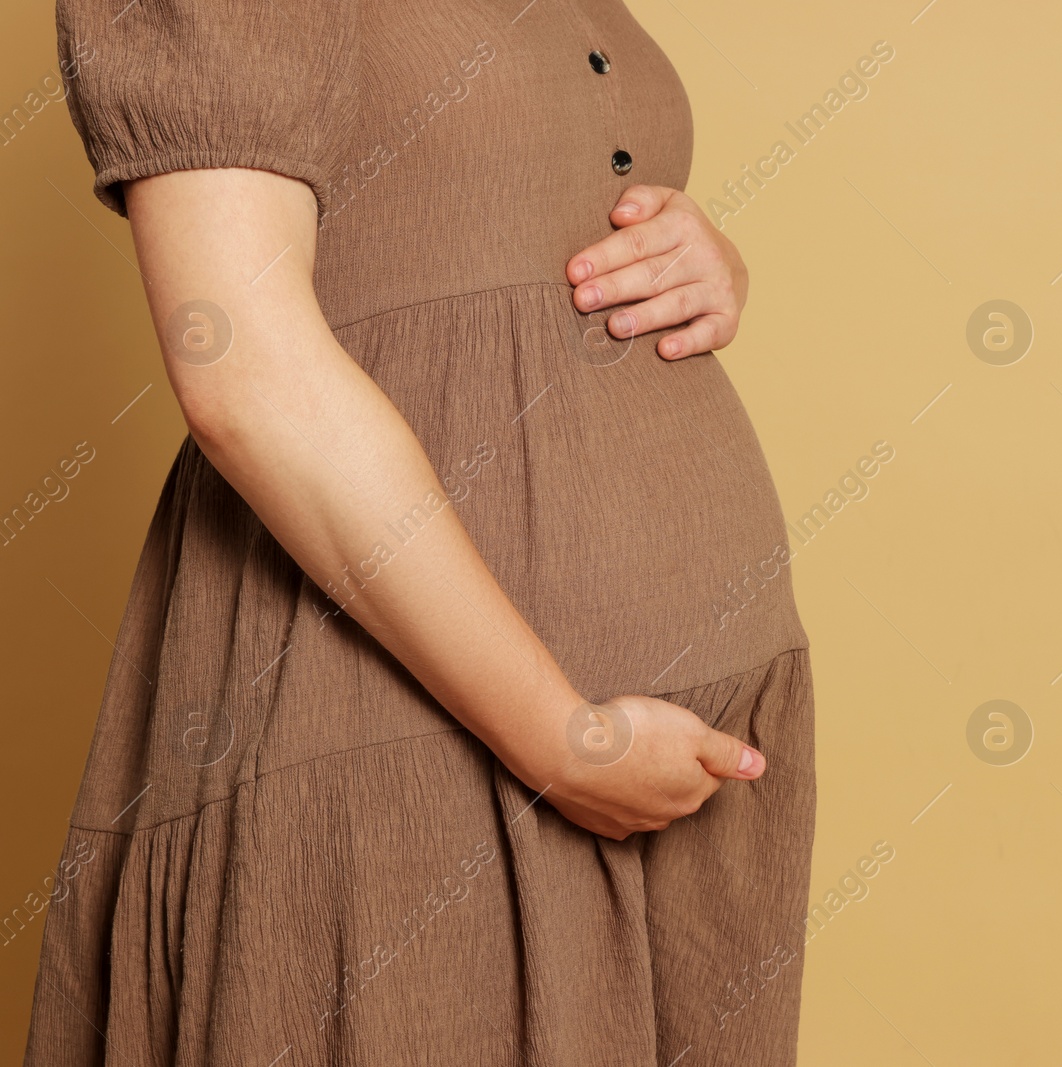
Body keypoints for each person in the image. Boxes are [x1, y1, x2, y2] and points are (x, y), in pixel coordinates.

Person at [24, 1, 816, 1063]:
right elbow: (242, 370)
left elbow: (464, 205)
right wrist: (555, 735)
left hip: (678, 761)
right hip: (426, 729)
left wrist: (703, 259)